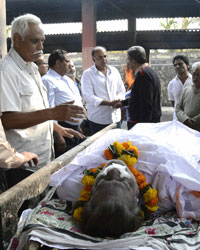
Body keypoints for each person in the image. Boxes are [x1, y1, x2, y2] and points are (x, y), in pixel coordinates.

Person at [0, 14, 85, 169]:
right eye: (34, 41)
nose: (41, 47)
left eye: (42, 41)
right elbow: (7, 120)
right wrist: (52, 114)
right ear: (17, 40)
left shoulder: (32, 68)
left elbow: (34, 111)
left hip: (43, 156)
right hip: (23, 162)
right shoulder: (5, 71)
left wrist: (55, 127)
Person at [42, 49, 85, 156]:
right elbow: (49, 109)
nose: (69, 64)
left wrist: (79, 124)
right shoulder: (47, 80)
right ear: (57, 63)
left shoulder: (66, 79)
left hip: (75, 128)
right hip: (62, 129)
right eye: (66, 61)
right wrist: (57, 134)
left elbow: (77, 101)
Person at [81, 46, 125, 134]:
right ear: (93, 59)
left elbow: (121, 90)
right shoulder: (88, 74)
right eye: (100, 57)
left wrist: (119, 100)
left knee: (117, 145)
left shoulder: (114, 71)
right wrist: (109, 103)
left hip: (115, 117)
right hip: (98, 119)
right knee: (101, 146)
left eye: (105, 56)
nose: (104, 59)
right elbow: (88, 96)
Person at [115, 46, 161, 130]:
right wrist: (123, 103)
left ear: (133, 61)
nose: (128, 62)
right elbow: (140, 97)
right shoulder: (149, 71)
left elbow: (146, 104)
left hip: (142, 124)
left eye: (128, 59)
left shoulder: (142, 74)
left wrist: (142, 128)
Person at [176, 61, 200, 132]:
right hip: (186, 130)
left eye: (199, 75)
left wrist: (193, 122)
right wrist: (185, 119)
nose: (196, 77)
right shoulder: (186, 90)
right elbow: (178, 108)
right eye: (194, 74)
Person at [168, 55, 192, 120]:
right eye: (175, 65)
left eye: (180, 64)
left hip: (193, 119)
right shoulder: (171, 84)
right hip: (177, 119)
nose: (177, 66)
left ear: (187, 65)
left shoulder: (194, 81)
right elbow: (173, 103)